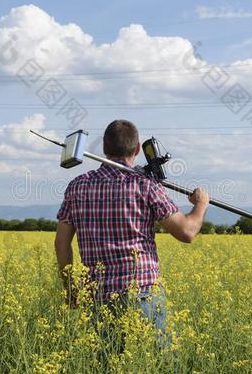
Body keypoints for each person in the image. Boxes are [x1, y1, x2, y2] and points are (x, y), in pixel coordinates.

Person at [54, 119, 209, 349]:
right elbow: (187, 232)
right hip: (142, 295)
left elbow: (61, 244)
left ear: (105, 149)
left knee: (107, 366)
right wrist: (200, 205)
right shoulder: (145, 184)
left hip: (97, 297)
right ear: (137, 149)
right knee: (155, 364)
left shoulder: (77, 186)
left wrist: (70, 290)